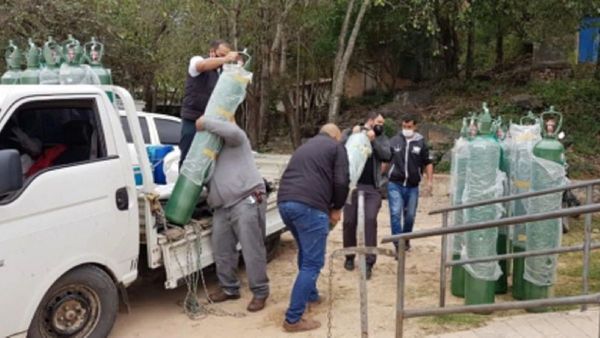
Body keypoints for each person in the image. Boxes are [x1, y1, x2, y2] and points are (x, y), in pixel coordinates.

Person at [277, 123, 349, 332]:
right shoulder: (336, 147)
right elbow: (342, 181)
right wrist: (336, 208)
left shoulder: (304, 147)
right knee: (312, 263)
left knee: (305, 251)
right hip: (310, 206)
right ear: (336, 136)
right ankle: (293, 319)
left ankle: (311, 294)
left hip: (285, 203)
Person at [195, 115, 269, 312]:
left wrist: (206, 122)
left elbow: (233, 131)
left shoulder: (237, 140)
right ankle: (229, 288)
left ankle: (260, 292)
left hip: (246, 200)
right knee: (222, 249)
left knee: (252, 249)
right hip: (222, 207)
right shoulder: (211, 152)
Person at [341, 112, 391, 279]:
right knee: (349, 221)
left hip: (372, 188)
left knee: (370, 220)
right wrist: (352, 134)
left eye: (382, 123)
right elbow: (339, 147)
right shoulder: (352, 132)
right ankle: (349, 255)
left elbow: (387, 155)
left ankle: (369, 261)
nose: (381, 125)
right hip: (352, 186)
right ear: (369, 121)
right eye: (378, 122)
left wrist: (373, 140)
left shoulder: (381, 138)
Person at [179, 40, 239, 168]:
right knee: (188, 157)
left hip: (213, 123)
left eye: (227, 56)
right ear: (212, 52)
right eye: (221, 55)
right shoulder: (197, 61)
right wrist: (226, 59)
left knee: (209, 161)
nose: (225, 59)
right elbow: (201, 66)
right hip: (192, 120)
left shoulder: (224, 74)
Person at [387, 114, 433, 251]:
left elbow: (428, 162)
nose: (406, 129)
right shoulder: (394, 140)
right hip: (395, 183)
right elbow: (386, 160)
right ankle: (398, 244)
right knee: (395, 212)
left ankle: (406, 238)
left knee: (410, 216)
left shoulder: (421, 142)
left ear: (415, 126)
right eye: (404, 126)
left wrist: (430, 181)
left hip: (412, 186)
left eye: (409, 127)